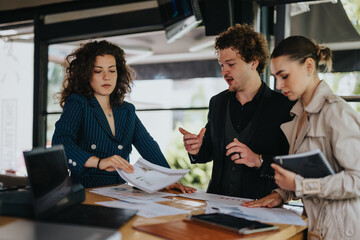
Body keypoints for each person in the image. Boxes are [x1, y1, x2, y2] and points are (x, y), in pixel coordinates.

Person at [243, 36, 360, 239]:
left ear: (308, 66)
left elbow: (357, 180)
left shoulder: (336, 112)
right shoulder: (297, 115)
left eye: (285, 76)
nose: (278, 85)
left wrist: (299, 185)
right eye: (275, 77)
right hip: (314, 228)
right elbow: (308, 173)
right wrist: (281, 194)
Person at [52, 40, 196, 193]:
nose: (106, 77)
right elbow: (61, 143)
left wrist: (168, 179)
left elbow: (148, 145)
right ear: (86, 74)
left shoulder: (127, 110)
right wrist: (99, 162)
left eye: (112, 70)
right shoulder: (78, 103)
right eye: (98, 71)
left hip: (120, 191)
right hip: (86, 191)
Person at [179, 24, 294, 199]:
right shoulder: (217, 102)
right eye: (221, 65)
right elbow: (208, 152)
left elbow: (292, 163)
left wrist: (259, 160)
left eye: (231, 64)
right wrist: (197, 149)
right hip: (216, 204)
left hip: (262, 207)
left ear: (254, 62)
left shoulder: (283, 106)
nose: (224, 71)